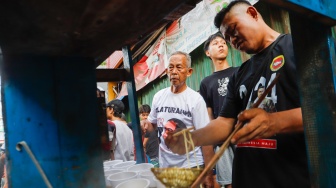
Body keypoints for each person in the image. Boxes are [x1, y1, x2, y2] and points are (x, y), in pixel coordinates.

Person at [164, 1, 311, 188]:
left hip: (291, 177)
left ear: (252, 13)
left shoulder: (295, 46)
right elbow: (225, 122)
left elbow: (328, 109)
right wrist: (191, 139)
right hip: (247, 178)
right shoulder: (240, 73)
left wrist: (275, 121)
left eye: (233, 29)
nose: (232, 40)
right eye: (228, 37)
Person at [141, 51, 215, 187]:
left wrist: (208, 173)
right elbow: (153, 126)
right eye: (170, 67)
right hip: (166, 165)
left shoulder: (195, 100)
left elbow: (206, 138)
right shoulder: (158, 96)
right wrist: (145, 125)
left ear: (189, 72)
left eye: (179, 67)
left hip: (191, 165)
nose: (174, 72)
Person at [199, 32, 238, 188]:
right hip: (222, 140)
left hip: (243, 134)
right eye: (215, 43)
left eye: (223, 42)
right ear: (208, 53)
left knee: (251, 177)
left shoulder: (239, 71)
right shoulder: (206, 82)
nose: (221, 45)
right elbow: (208, 114)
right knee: (229, 183)